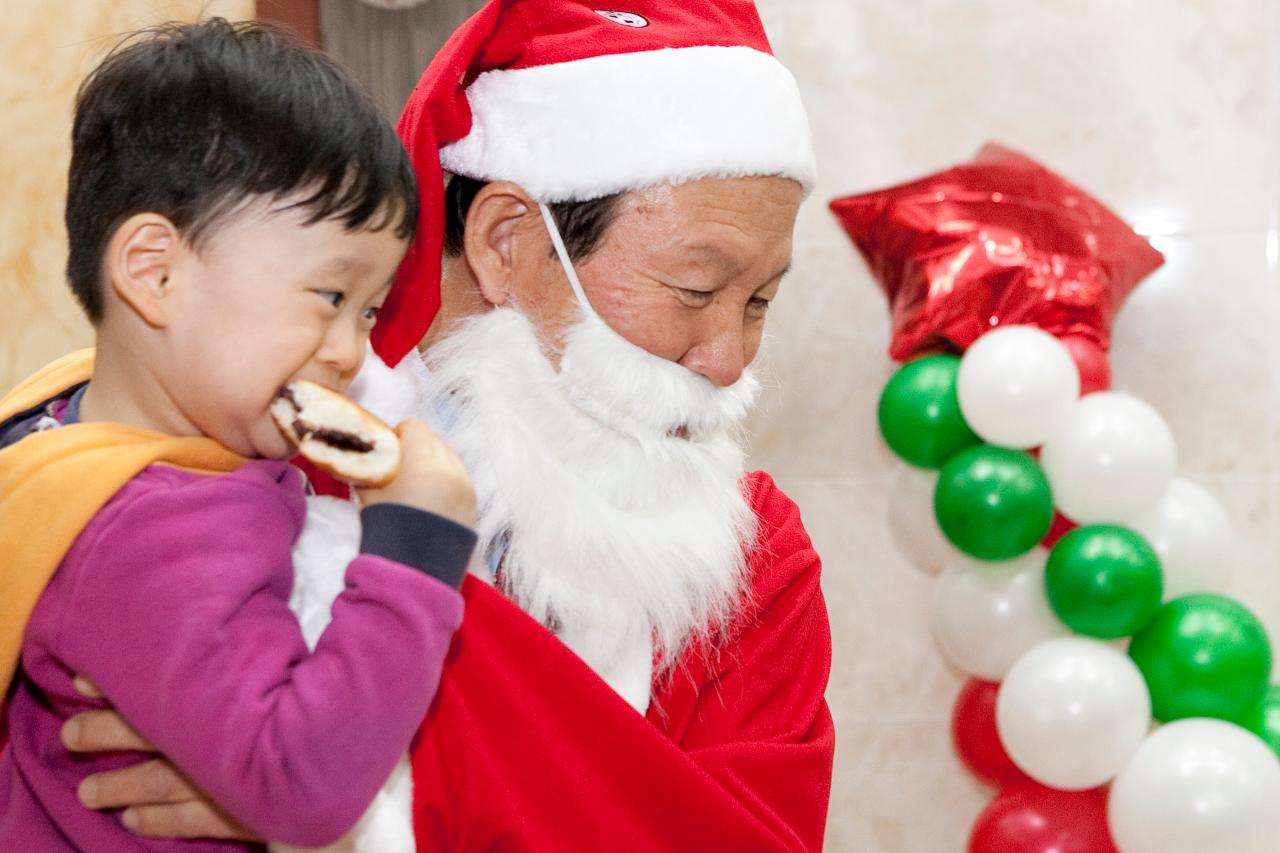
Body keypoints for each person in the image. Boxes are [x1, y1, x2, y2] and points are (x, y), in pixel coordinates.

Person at [58, 1, 836, 850]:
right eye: (694, 288)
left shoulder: (757, 564)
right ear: (506, 243)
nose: (728, 358)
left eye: (760, 300)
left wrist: (352, 799)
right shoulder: (242, 472)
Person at [0, 19, 478, 851]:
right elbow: (304, 782)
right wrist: (416, 547)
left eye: (369, 310)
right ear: (155, 274)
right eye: (330, 297)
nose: (351, 352)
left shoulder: (66, 414)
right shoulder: (154, 528)